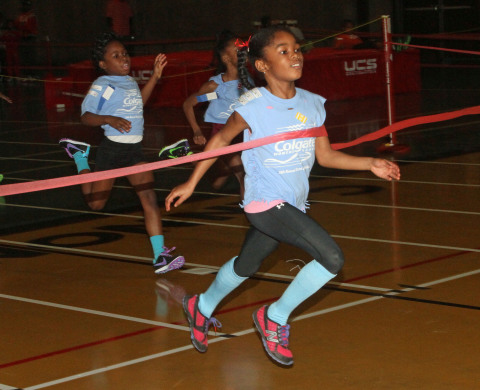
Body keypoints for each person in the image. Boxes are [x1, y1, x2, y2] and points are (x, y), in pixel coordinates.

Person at [165, 26, 400, 366]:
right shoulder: (254, 103)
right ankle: (273, 317)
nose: (294, 55)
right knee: (331, 258)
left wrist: (370, 163)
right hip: (264, 200)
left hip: (290, 204)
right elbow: (220, 141)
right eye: (283, 50)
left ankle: (199, 307)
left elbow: (326, 156)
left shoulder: (313, 104)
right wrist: (191, 183)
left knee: (248, 264)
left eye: (296, 48)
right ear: (261, 65)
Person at [59, 32, 185, 274]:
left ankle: (160, 255)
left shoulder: (129, 81)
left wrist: (155, 78)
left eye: (125, 53)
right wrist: (109, 118)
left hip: (134, 150)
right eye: (116, 56)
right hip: (113, 150)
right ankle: (79, 157)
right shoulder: (104, 85)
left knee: (148, 198)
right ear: (103, 64)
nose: (123, 58)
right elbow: (86, 116)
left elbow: (140, 102)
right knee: (96, 204)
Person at [182, 30, 247, 197]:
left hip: (244, 134)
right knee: (244, 177)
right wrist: (196, 130)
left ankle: (212, 180)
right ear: (226, 58)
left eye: (243, 46)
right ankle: (255, 219)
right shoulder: (216, 88)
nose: (242, 50)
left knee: (222, 178)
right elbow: (189, 104)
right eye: (237, 49)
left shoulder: (248, 80)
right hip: (223, 135)